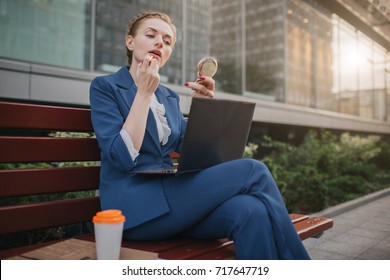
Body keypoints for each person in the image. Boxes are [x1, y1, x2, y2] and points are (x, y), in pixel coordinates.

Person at [89, 11, 310, 260]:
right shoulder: (105, 87)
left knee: (252, 210)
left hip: (174, 203)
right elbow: (122, 159)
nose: (160, 42)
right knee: (253, 170)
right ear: (130, 42)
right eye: (150, 35)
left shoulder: (168, 97)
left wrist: (202, 110)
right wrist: (142, 94)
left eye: (167, 40)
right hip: (134, 208)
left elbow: (195, 155)